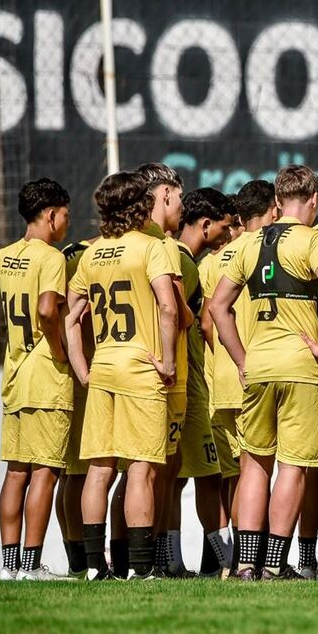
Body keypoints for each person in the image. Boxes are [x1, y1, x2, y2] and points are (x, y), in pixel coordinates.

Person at [210, 166, 318, 581]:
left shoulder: (249, 244)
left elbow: (217, 307)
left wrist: (242, 358)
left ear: (278, 201)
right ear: (314, 200)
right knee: (294, 466)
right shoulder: (314, 241)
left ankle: (245, 563)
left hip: (259, 365)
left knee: (254, 464)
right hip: (301, 365)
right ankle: (275, 564)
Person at [65, 170, 179, 580]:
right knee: (141, 468)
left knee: (99, 468)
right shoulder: (152, 247)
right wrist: (167, 362)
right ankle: (141, 568)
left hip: (104, 367)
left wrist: (82, 370)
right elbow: (168, 309)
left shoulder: (92, 254)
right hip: (140, 367)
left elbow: (70, 316)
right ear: (141, 206)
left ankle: (95, 566)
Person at [0, 178, 73, 580]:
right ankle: (31, 564)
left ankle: (9, 566)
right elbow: (46, 310)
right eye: (65, 216)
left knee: (16, 472)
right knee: (45, 471)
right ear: (50, 214)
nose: (66, 225)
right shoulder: (52, 258)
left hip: (14, 374)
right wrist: (60, 350)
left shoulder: (3, 256)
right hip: (45, 375)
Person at [204, 179, 277, 575]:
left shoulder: (216, 260)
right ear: (273, 210)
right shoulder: (275, 250)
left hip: (224, 376)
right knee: (260, 470)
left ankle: (235, 561)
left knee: (235, 476)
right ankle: (258, 560)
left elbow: (206, 320)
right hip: (257, 371)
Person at [173, 188, 236, 577]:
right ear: (206, 225)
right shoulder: (183, 263)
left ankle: (169, 560)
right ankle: (224, 562)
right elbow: (197, 320)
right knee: (208, 477)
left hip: (174, 378)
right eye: (225, 228)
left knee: (169, 476)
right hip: (187, 381)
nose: (228, 236)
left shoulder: (175, 257)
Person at [135, 162, 191, 576]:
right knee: (155, 471)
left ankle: (143, 559)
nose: (182, 208)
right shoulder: (161, 246)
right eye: (179, 198)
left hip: (130, 368)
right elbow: (179, 312)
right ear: (166, 194)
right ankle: (151, 558)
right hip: (164, 374)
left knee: (148, 471)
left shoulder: (124, 240)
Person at [58, 233, 100, 578]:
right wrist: (77, 365)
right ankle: (81, 559)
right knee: (78, 472)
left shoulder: (72, 253)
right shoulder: (81, 256)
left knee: (75, 473)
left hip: (87, 372)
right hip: (86, 374)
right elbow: (63, 315)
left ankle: (82, 558)